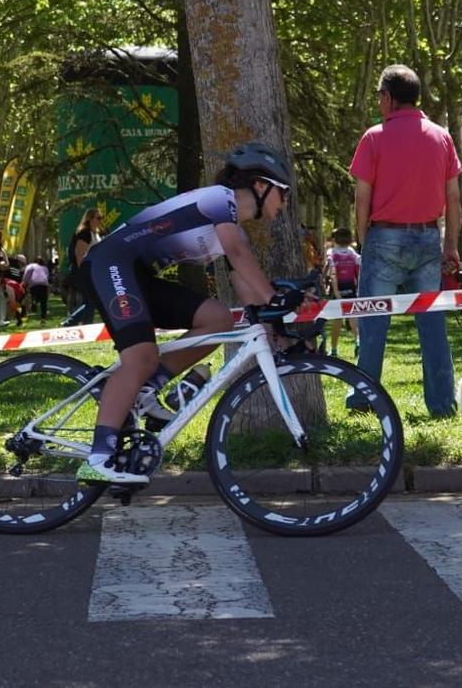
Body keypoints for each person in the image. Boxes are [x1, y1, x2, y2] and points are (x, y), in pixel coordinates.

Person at [77, 143, 285, 484]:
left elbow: (241, 276)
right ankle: (98, 457)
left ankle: (144, 390)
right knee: (140, 357)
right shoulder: (219, 199)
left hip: (137, 276)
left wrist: (273, 316)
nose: (285, 203)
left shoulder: (232, 228)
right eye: (283, 193)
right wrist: (274, 298)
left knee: (218, 319)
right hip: (110, 263)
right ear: (261, 186)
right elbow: (237, 254)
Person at [349, 65, 462, 419]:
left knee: (373, 325)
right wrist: (450, 245)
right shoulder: (442, 137)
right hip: (429, 237)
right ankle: (442, 406)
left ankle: (364, 401)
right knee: (433, 328)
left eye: (379, 96)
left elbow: (362, 198)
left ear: (387, 97)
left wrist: (365, 240)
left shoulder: (373, 137)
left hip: (384, 236)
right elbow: (454, 199)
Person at [22, 255, 50, 321]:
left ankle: (34, 301)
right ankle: (43, 316)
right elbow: (47, 276)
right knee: (43, 301)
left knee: (34, 295)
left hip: (34, 284)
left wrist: (24, 282)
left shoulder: (31, 266)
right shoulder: (45, 268)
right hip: (43, 284)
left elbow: (27, 274)